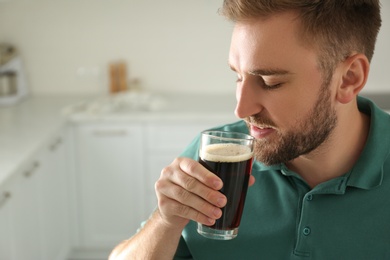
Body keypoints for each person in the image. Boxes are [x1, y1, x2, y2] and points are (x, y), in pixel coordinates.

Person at [110, 0, 390, 259]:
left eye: (270, 82)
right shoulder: (216, 155)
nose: (241, 110)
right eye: (238, 77)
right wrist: (165, 220)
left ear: (348, 79)